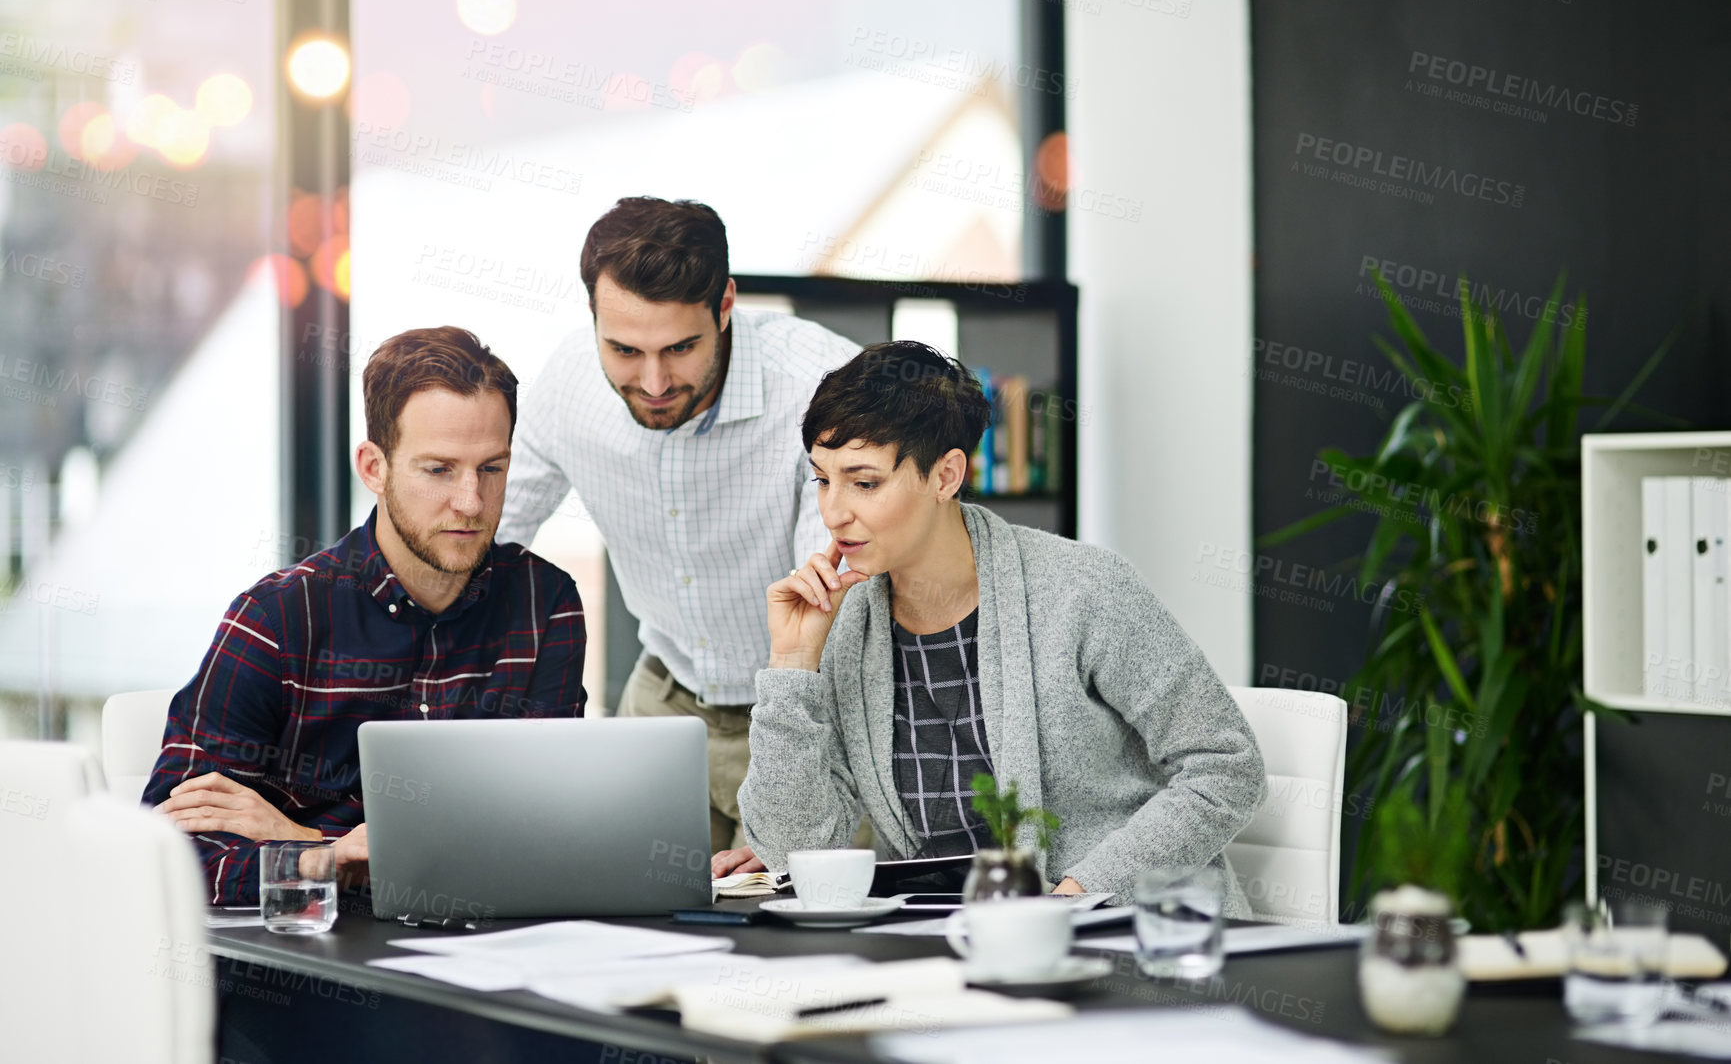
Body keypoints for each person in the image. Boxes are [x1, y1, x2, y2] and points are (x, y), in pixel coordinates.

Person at [718, 342, 1267, 912]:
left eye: (864, 482)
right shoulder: (845, 619)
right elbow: (794, 853)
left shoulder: (1082, 588)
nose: (833, 512)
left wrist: (1078, 896)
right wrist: (791, 664)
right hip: (947, 941)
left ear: (945, 475)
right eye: (822, 480)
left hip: (1129, 931)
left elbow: (1226, 766)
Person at [144, 327, 587, 905]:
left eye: (492, 469)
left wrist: (304, 841)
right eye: (439, 470)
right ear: (373, 468)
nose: (472, 502)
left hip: (485, 952)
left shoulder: (545, 603)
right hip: (315, 966)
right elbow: (165, 852)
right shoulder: (277, 619)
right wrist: (325, 858)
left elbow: (547, 836)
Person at [498, 197, 858, 852]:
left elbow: (838, 598)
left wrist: (787, 801)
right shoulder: (568, 383)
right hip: (665, 696)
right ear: (592, 317)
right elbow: (484, 541)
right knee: (624, 912)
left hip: (809, 708)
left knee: (783, 925)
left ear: (725, 304)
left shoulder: (821, 387)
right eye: (625, 349)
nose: (655, 381)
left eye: (681, 347)